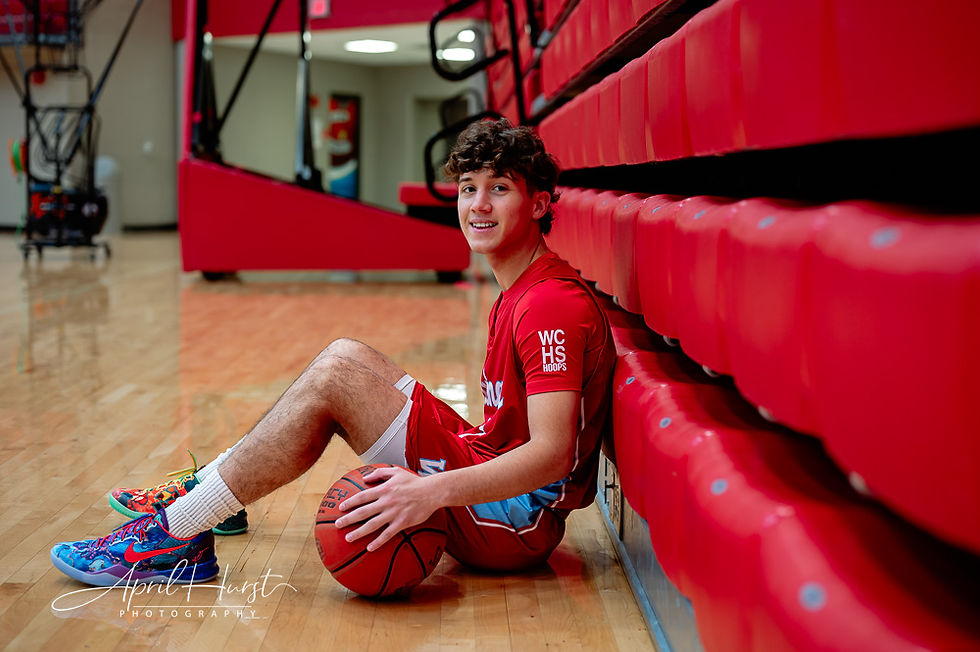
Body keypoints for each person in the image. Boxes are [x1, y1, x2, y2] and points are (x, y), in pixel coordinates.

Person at [50, 118, 616, 586]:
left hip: (515, 521)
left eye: (500, 187)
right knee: (343, 358)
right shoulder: (521, 288)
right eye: (469, 188)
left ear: (540, 204)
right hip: (487, 465)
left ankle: (176, 534)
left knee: (336, 377)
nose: (478, 204)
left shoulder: (549, 306)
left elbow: (551, 456)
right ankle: (205, 498)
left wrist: (429, 491)